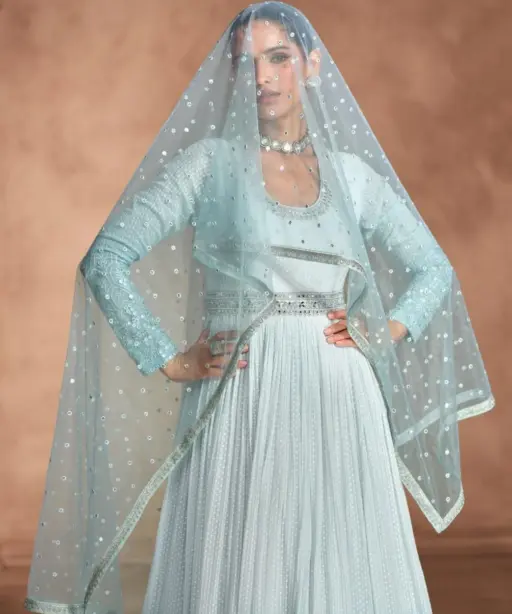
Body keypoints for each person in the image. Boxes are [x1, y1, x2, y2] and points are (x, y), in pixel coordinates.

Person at [24, 3, 495, 613]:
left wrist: (385, 331)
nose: (264, 77)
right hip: (242, 391)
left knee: (338, 559)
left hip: (339, 392)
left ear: (312, 64)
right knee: (245, 563)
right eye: (246, 63)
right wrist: (168, 358)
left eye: (278, 58)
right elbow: (106, 257)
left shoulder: (350, 177)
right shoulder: (210, 166)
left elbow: (434, 268)